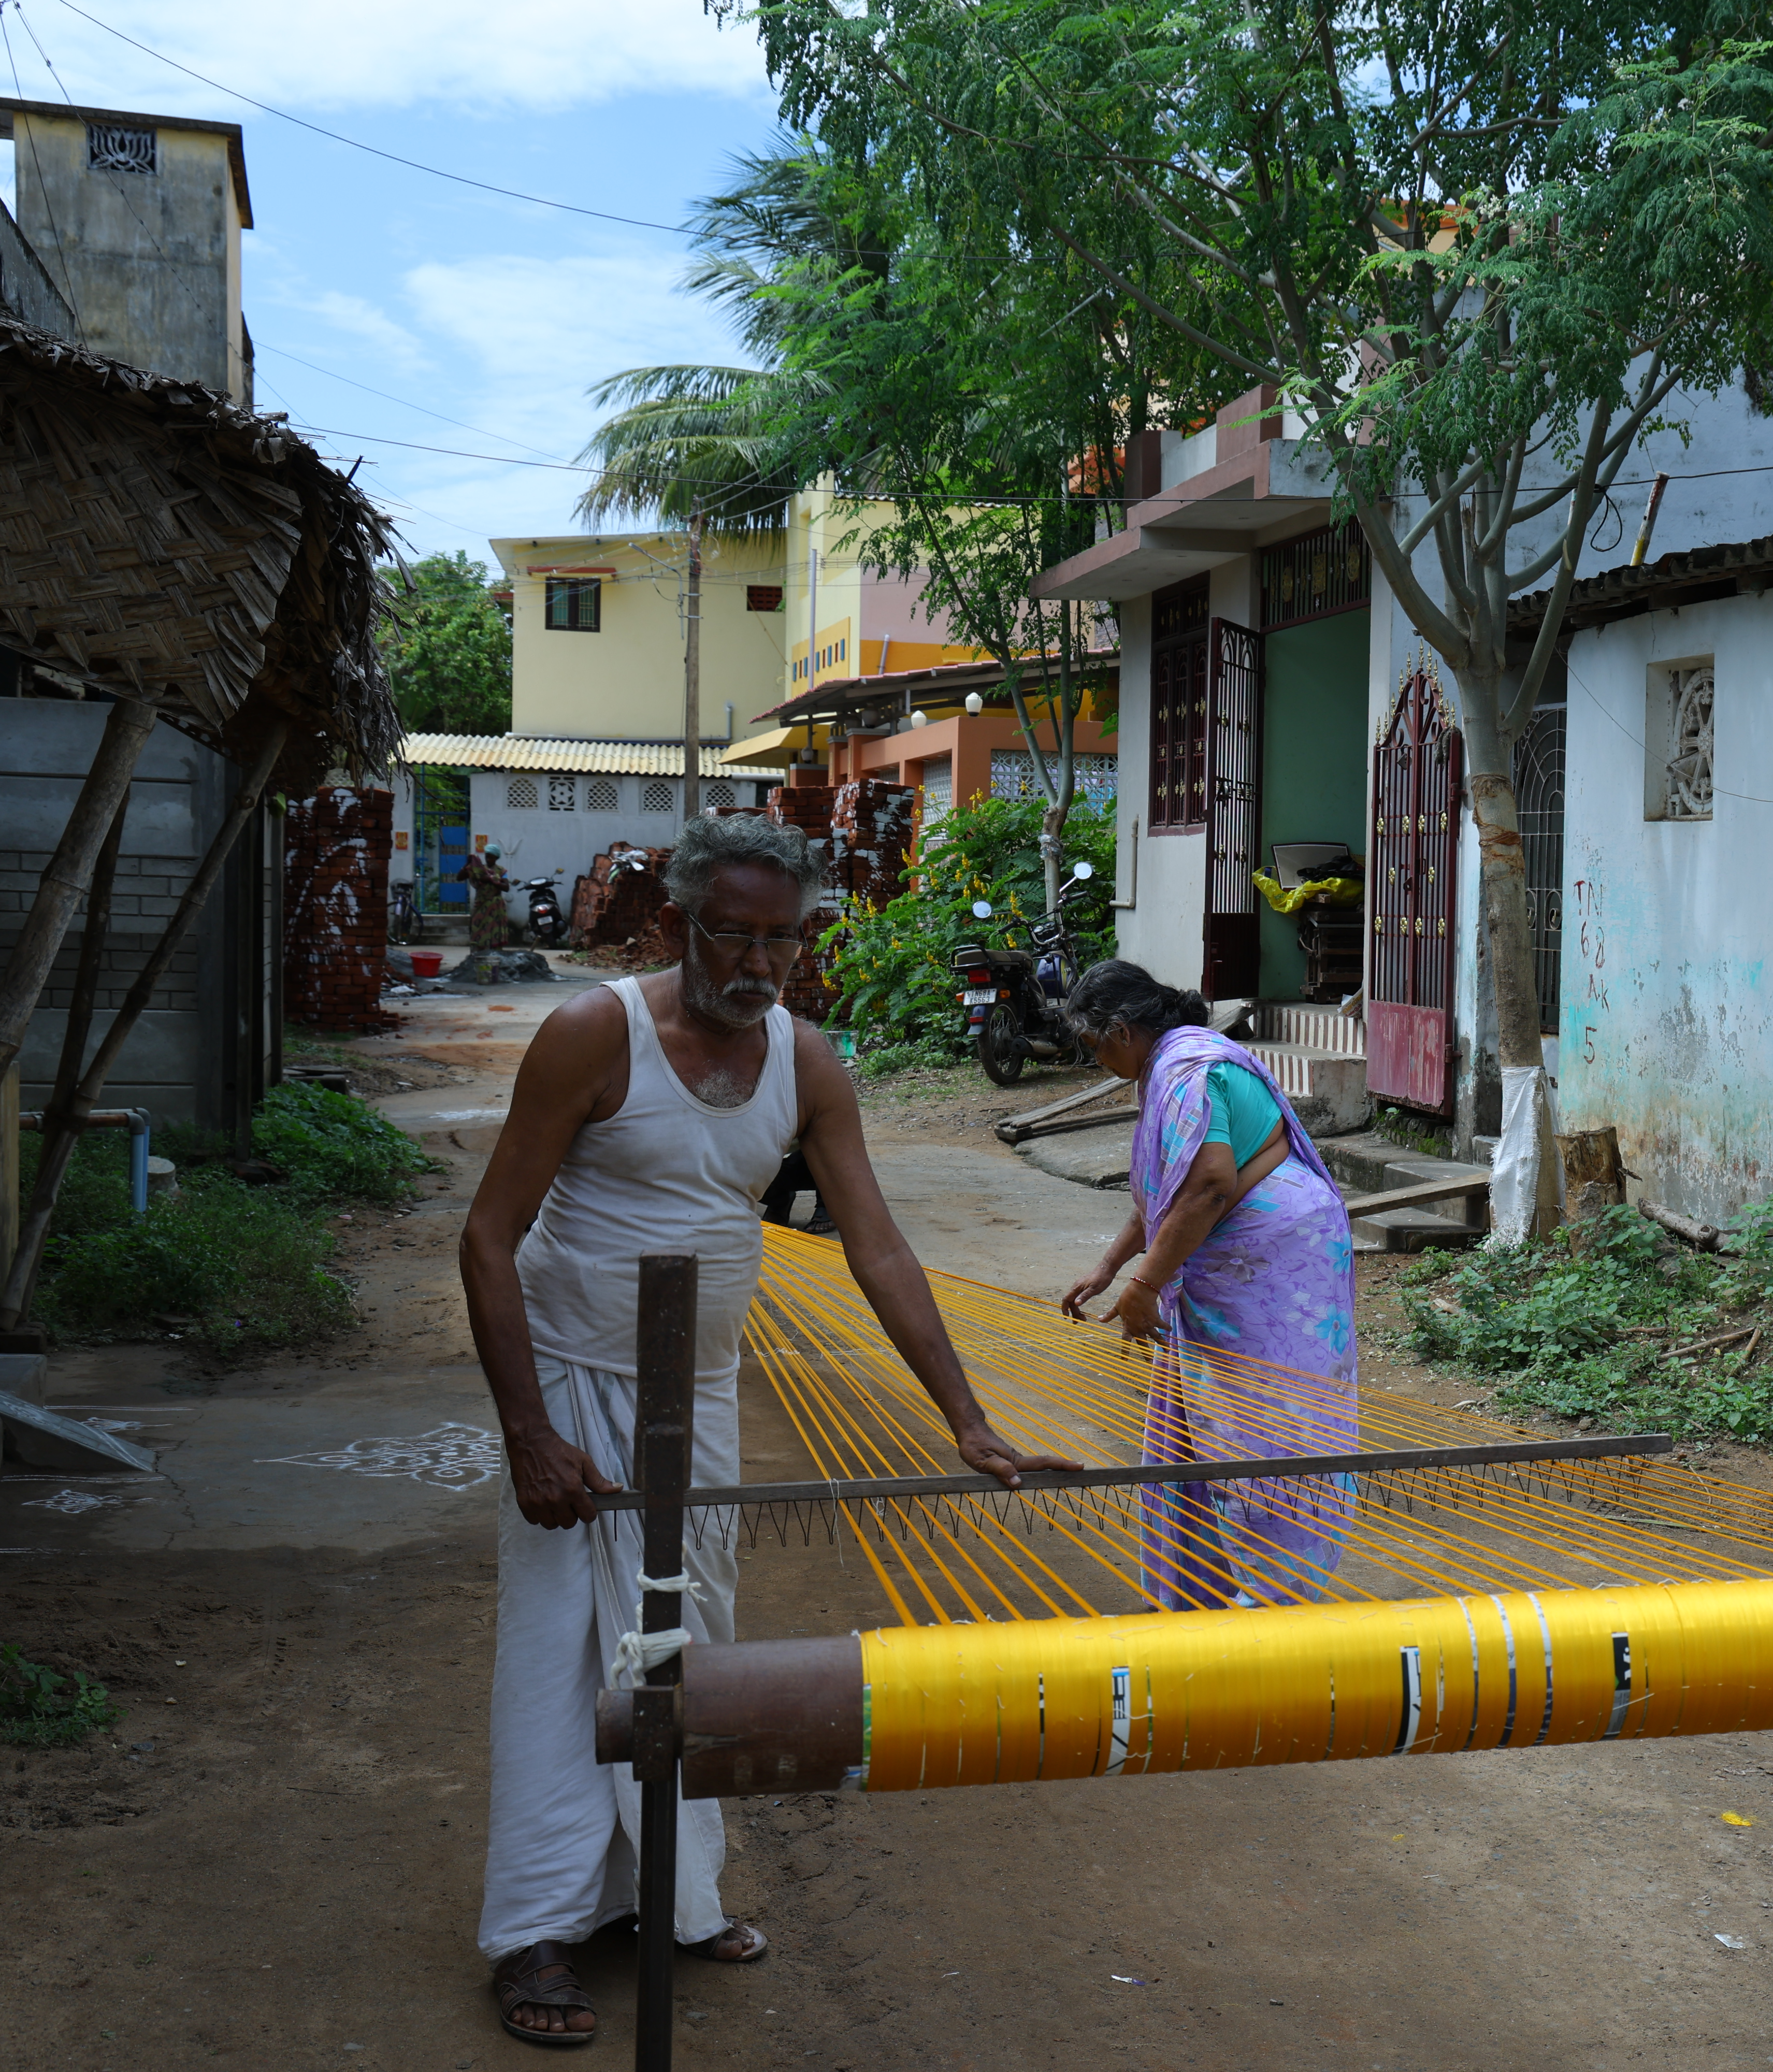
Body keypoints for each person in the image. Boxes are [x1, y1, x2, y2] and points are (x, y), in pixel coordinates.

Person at [460, 815, 1076, 2047]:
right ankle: (533, 1927)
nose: (756, 961)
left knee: (688, 1650)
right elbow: (488, 1236)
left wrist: (967, 1418)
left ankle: (669, 1898)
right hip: (576, 1385)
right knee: (559, 1660)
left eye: (781, 941)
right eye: (732, 933)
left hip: (702, 1393)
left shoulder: (806, 1060)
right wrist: (530, 1434)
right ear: (680, 923)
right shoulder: (597, 1033)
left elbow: (878, 1243)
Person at [1057, 961, 1360, 1610]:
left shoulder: (1187, 1073)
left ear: (1121, 1030)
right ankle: (1215, 1587)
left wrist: (1145, 1284)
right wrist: (1111, 1268)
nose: (1095, 1059)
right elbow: (1165, 1194)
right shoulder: (1172, 1068)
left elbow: (1209, 1184)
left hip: (1274, 1259)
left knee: (1266, 1423)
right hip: (1255, 1247)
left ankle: (1277, 1595)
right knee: (1218, 1419)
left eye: (1093, 1045)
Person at [464, 841, 514, 952]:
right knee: (477, 927)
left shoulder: (501, 871)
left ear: (496, 858)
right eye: (487, 857)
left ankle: (495, 953)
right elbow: (461, 876)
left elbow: (506, 887)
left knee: (495, 931)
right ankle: (477, 952)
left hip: (496, 906)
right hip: (481, 904)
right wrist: (468, 865)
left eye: (491, 858)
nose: (489, 860)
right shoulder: (480, 870)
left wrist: (492, 881)